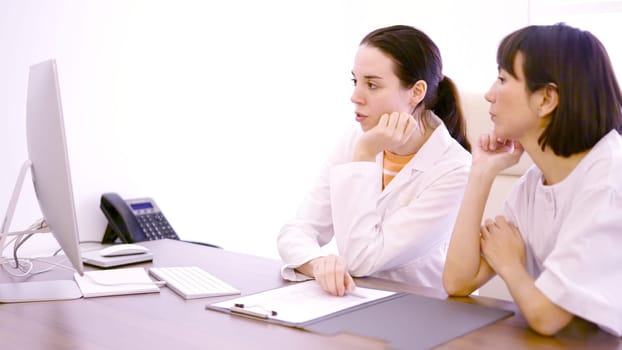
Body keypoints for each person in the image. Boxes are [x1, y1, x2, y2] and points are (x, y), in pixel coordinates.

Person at [442, 23, 622, 337]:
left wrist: (510, 265)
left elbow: (548, 316)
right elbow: (458, 280)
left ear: (546, 99)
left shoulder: (608, 179)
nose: (489, 94)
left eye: (502, 79)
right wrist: (481, 173)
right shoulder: (535, 182)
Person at [277, 25, 472, 296]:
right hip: (358, 299)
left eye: (372, 84)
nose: (355, 96)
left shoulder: (454, 169)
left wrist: (365, 156)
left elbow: (361, 260)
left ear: (416, 92)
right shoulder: (355, 139)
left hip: (420, 311)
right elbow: (297, 230)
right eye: (354, 81)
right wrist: (318, 263)